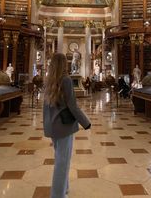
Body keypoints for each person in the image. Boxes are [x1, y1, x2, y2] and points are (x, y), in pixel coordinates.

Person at [43, 53, 91, 198]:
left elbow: (46, 107)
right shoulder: (66, 80)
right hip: (64, 126)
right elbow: (72, 105)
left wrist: (47, 125)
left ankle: (64, 188)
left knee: (60, 159)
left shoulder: (49, 80)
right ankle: (57, 195)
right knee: (62, 162)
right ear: (64, 64)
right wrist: (86, 122)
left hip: (53, 126)